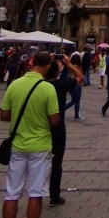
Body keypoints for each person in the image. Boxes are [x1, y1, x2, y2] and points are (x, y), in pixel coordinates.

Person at [0, 50, 60, 218]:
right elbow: (54, 121)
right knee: (36, 193)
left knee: (11, 193)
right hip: (40, 147)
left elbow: (5, 115)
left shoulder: (15, 84)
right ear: (48, 66)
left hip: (17, 146)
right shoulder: (47, 88)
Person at [46, 54, 83, 206]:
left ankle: (36, 191)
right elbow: (81, 78)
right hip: (58, 128)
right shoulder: (61, 85)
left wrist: (48, 60)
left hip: (41, 128)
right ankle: (54, 195)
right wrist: (69, 64)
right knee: (56, 161)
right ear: (57, 71)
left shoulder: (40, 84)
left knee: (38, 161)